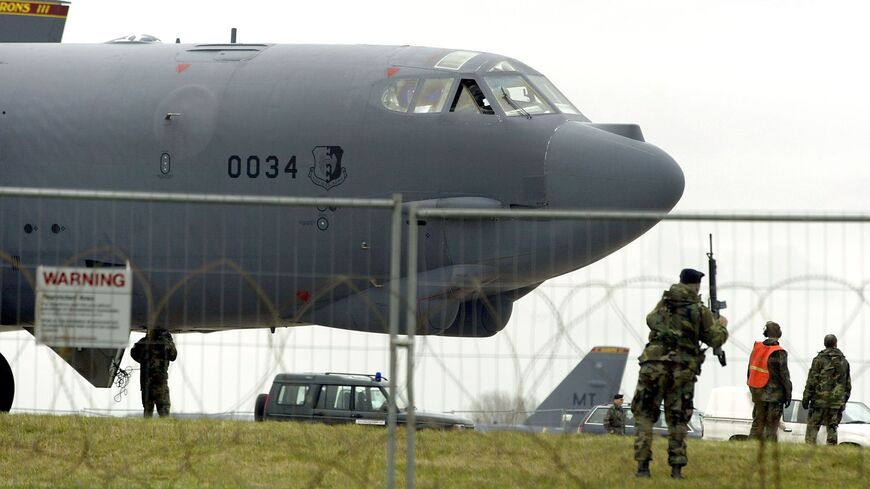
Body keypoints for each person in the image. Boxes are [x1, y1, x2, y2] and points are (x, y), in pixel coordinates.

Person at [631, 268, 728, 479]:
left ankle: (642, 468)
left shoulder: (664, 303)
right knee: (678, 418)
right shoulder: (698, 310)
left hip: (652, 365)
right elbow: (715, 339)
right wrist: (722, 325)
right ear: (696, 286)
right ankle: (676, 470)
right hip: (680, 369)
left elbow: (650, 320)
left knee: (645, 415)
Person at [747, 321, 792, 442]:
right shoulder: (779, 352)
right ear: (779, 334)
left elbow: (750, 372)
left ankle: (749, 448)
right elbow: (784, 376)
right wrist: (788, 395)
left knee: (757, 425)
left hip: (758, 393)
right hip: (775, 397)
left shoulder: (757, 349)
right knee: (771, 427)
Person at [803, 334, 851, 445]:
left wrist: (806, 398)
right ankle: (832, 452)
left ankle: (809, 449)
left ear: (825, 344)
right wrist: (842, 401)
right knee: (832, 428)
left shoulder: (818, 360)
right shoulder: (844, 362)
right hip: (836, 402)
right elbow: (848, 385)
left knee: (813, 427)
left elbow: (811, 381)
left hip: (819, 401)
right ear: (836, 343)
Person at [130, 329, 177, 418]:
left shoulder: (143, 343)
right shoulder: (165, 343)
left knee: (147, 410)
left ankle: (146, 430)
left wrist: (144, 361)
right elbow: (173, 356)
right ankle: (165, 429)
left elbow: (133, 353)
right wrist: (170, 341)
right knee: (164, 411)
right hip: (160, 381)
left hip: (146, 381)